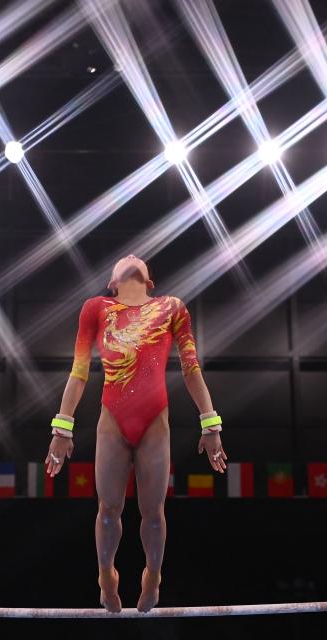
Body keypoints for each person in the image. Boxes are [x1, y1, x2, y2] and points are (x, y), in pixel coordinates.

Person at [44, 254, 227, 613]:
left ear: (150, 281)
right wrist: (62, 427)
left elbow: (191, 367)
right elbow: (79, 371)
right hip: (112, 421)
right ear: (112, 282)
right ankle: (105, 575)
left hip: (155, 424)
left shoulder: (171, 307)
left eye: (137, 260)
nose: (130, 257)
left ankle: (154, 576)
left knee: (153, 513)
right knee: (109, 510)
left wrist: (211, 422)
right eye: (123, 260)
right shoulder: (96, 308)